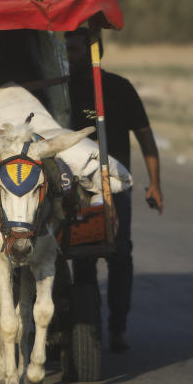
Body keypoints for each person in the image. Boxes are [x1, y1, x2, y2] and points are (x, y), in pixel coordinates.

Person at [65, 27, 163, 353]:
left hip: (114, 187)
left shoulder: (119, 88)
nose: (69, 57)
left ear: (94, 51)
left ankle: (118, 326)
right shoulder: (59, 89)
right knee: (81, 258)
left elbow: (145, 136)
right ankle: (86, 324)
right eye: (65, 50)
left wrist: (155, 184)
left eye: (76, 50)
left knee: (119, 254)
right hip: (76, 188)